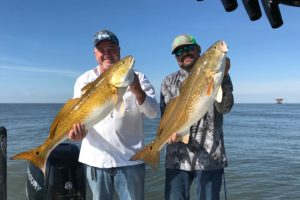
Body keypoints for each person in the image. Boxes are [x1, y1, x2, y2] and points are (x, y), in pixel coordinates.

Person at [67, 29, 159, 200]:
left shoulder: (139, 77)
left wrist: (137, 90)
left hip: (131, 160)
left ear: (119, 50)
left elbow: (153, 112)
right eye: (102, 50)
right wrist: (76, 133)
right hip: (96, 160)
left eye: (112, 48)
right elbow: (78, 118)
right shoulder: (83, 80)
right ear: (95, 54)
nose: (107, 54)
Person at [160, 34, 234, 200]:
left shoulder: (221, 73)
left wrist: (223, 77)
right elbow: (164, 116)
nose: (184, 53)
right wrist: (167, 133)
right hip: (176, 159)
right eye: (179, 52)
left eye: (188, 48)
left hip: (210, 158)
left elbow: (225, 107)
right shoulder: (167, 81)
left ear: (199, 50)